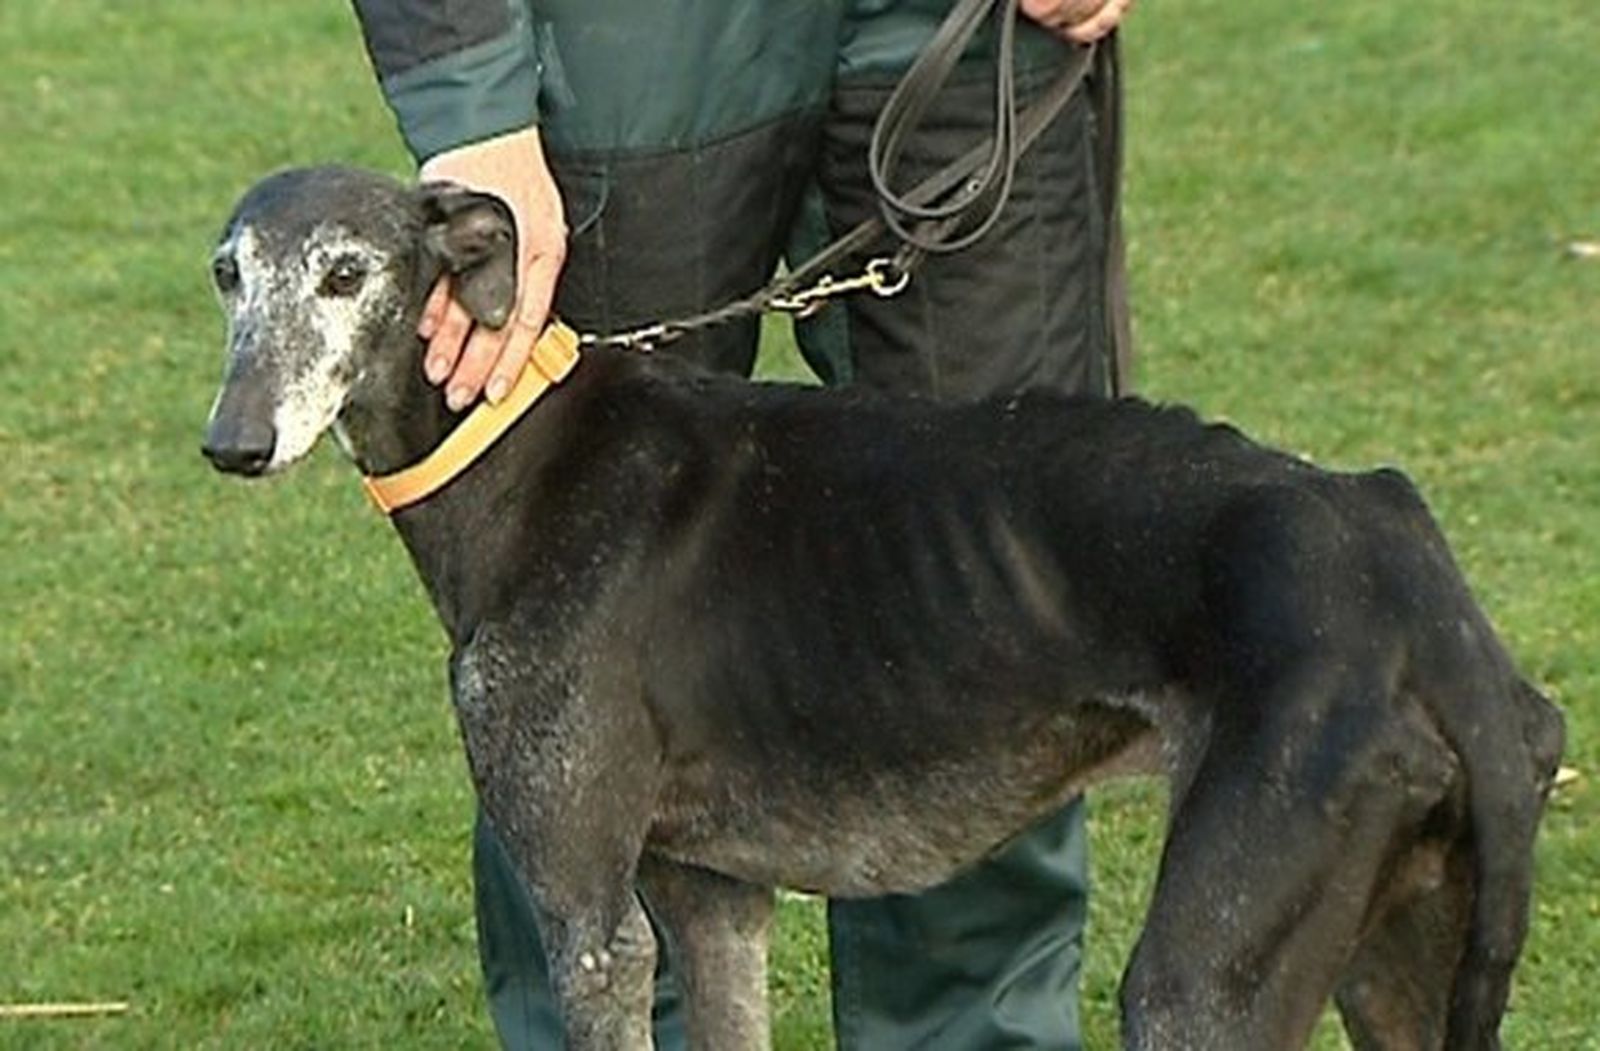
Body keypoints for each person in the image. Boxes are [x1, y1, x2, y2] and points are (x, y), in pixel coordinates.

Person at [351, 1, 1136, 1047]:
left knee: (998, 604)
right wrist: (470, 102)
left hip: (958, 35)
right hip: (614, 53)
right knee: (570, 671)